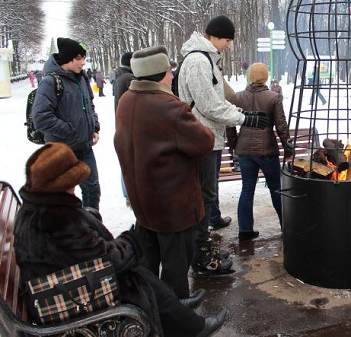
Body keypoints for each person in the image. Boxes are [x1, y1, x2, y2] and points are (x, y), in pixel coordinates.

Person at [14, 142, 229, 337]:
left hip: (64, 284)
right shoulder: (56, 219)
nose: (76, 188)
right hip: (66, 296)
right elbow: (108, 259)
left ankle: (178, 311)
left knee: (136, 271)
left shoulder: (42, 209)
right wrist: (130, 240)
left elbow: (91, 253)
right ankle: (190, 325)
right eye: (73, 182)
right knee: (132, 273)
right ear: (62, 185)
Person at [114, 46, 215, 298]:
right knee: (176, 266)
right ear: (161, 74)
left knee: (149, 262)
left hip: (143, 202)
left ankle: (152, 310)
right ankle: (178, 317)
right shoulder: (170, 106)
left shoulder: (126, 100)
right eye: (170, 71)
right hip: (173, 205)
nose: (172, 76)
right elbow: (204, 142)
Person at [178, 15, 270, 273]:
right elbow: (209, 105)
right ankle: (200, 253)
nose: (229, 45)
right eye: (227, 40)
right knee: (204, 195)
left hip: (210, 137)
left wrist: (239, 110)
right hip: (202, 138)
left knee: (207, 194)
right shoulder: (198, 61)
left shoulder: (207, 59)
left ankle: (202, 244)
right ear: (214, 36)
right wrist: (245, 117)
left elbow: (218, 97)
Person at [31, 37, 101, 211]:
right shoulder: (50, 82)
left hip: (84, 147)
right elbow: (40, 117)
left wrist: (94, 127)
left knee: (92, 189)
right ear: (67, 59)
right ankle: (66, 229)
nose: (83, 62)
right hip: (60, 150)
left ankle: (91, 225)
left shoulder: (82, 79)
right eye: (78, 58)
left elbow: (90, 105)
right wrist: (69, 130)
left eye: (84, 58)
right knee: (62, 195)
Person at [228, 63, 292, 241]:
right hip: (267, 150)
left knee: (247, 189)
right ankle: (286, 226)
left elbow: (230, 123)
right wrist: (288, 147)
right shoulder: (273, 98)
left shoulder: (237, 97)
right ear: (265, 77)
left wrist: (234, 144)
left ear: (250, 76)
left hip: (245, 150)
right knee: (276, 189)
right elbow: (281, 126)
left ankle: (245, 230)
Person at [112, 51, 135, 206]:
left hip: (122, 125)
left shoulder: (120, 77)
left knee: (126, 161)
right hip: (130, 125)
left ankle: (127, 194)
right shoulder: (128, 78)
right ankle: (130, 194)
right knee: (131, 161)